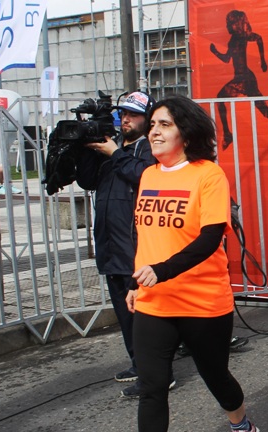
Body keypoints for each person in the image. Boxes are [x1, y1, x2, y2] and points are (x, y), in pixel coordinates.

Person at [107, 95, 259, 432]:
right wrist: (141, 281)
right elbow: (146, 238)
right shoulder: (149, 176)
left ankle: (241, 425)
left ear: (186, 133)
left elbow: (210, 239)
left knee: (215, 375)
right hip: (155, 300)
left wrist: (162, 270)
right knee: (153, 385)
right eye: (152, 124)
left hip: (202, 299)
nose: (153, 131)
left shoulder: (208, 175)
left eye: (164, 124)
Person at [77, 91, 162, 394]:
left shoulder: (149, 148)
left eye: (133, 115)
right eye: (123, 114)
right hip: (111, 244)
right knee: (125, 314)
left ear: (147, 119)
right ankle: (140, 365)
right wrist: (88, 150)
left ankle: (156, 374)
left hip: (135, 247)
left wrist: (114, 153)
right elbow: (87, 181)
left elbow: (144, 177)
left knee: (143, 313)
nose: (126, 119)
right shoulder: (114, 148)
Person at [210, 10, 268, 150]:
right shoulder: (237, 38)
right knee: (262, 108)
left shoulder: (238, 38)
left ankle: (228, 134)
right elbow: (228, 58)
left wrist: (263, 60)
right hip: (244, 77)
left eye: (229, 23)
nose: (227, 26)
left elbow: (258, 38)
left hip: (243, 78)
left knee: (221, 98)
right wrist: (215, 51)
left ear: (236, 24)